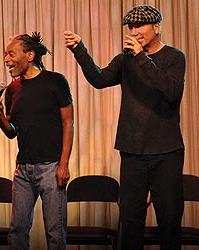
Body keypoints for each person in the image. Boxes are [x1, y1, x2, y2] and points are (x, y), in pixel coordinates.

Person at [64, 4, 185, 250]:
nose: (134, 30)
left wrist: (142, 57)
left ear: (156, 27)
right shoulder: (125, 60)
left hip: (167, 152)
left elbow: (171, 91)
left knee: (169, 221)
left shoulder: (174, 57)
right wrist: (80, 50)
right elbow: (99, 79)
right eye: (131, 27)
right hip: (132, 151)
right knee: (130, 223)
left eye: (139, 25)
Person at [0, 32, 74, 249]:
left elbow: (68, 123)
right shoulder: (12, 89)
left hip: (51, 168)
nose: (6, 59)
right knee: (17, 231)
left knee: (55, 233)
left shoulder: (55, 81)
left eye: (11, 53)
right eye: (5, 54)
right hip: (23, 170)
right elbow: (11, 131)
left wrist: (63, 164)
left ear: (29, 55)